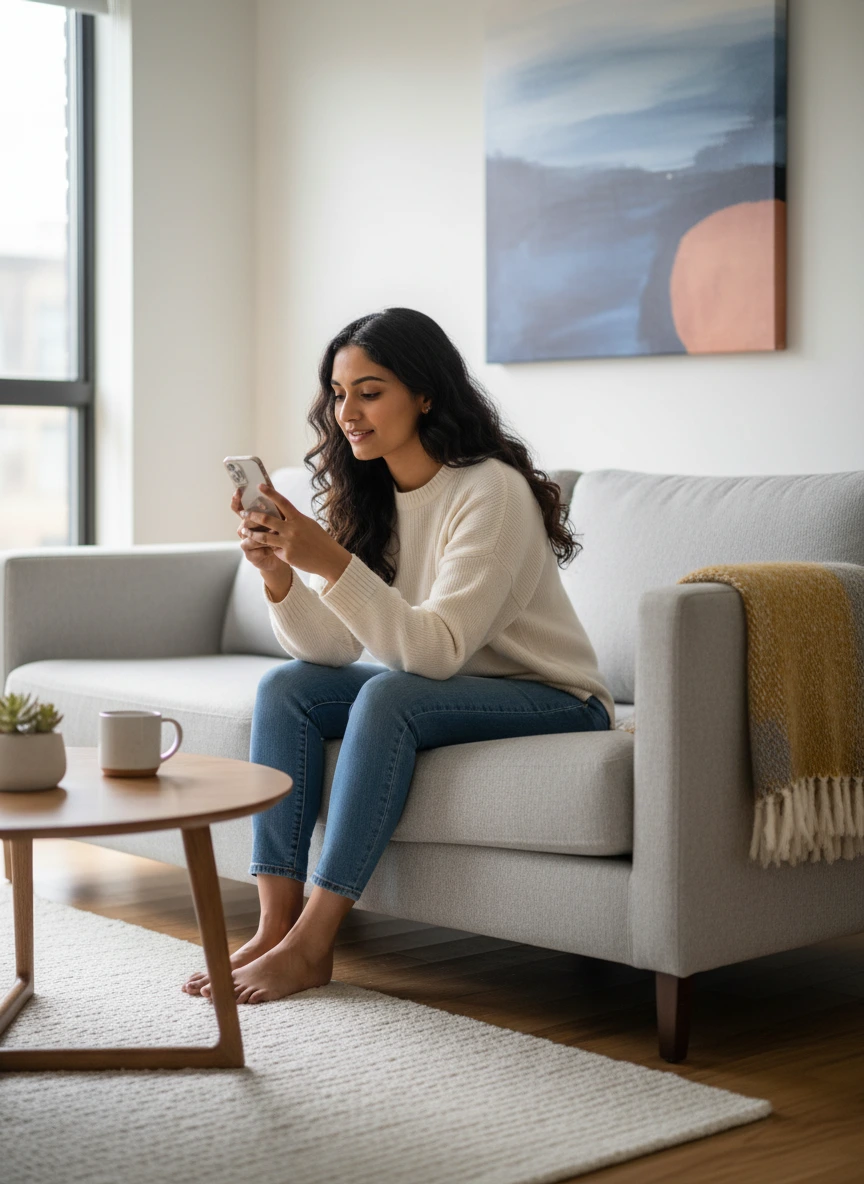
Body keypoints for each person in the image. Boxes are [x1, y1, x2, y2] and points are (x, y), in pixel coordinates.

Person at [182, 307, 614, 1006]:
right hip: (450, 689)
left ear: (426, 393)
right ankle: (275, 926)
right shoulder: (376, 489)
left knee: (389, 696)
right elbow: (330, 649)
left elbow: (434, 652)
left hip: (553, 696)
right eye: (338, 392)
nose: (347, 411)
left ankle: (315, 945)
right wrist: (283, 574)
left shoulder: (490, 491)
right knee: (287, 687)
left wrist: (330, 559)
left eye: (370, 391)